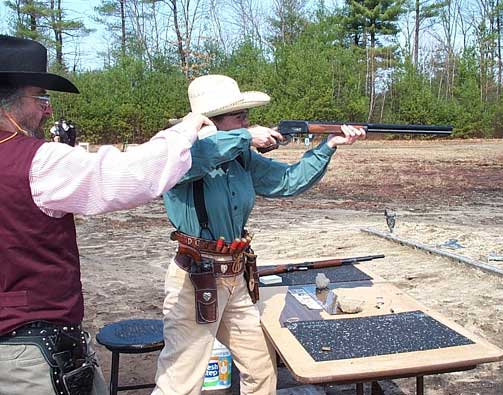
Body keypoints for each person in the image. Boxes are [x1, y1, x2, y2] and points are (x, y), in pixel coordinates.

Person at [0, 35, 221, 395]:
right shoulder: (37, 161)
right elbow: (121, 177)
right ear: (9, 100)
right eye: (40, 96)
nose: (47, 109)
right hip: (28, 357)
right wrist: (184, 131)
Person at [152, 74, 366, 394]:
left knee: (261, 370)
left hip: (235, 275)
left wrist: (329, 145)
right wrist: (247, 136)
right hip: (196, 279)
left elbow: (288, 182)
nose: (246, 121)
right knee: (180, 381)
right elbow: (203, 156)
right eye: (239, 116)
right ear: (211, 122)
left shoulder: (241, 156)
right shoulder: (181, 151)